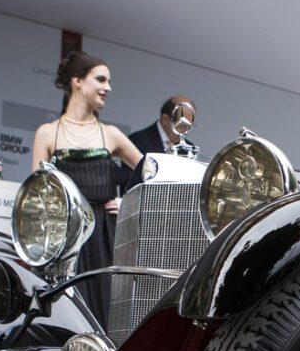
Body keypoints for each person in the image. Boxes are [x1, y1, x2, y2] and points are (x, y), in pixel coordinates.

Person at [30, 51, 142, 327]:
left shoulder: (111, 133)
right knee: (62, 314)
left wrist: (127, 202)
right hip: (63, 239)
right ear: (77, 81)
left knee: (107, 313)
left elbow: (149, 172)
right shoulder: (47, 133)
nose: (108, 87)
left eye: (109, 81)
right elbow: (37, 193)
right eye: (101, 79)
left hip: (105, 236)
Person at [117, 94, 197, 190]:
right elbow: (130, 188)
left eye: (189, 126)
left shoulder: (189, 148)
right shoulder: (137, 141)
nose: (186, 131)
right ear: (165, 119)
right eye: (183, 125)